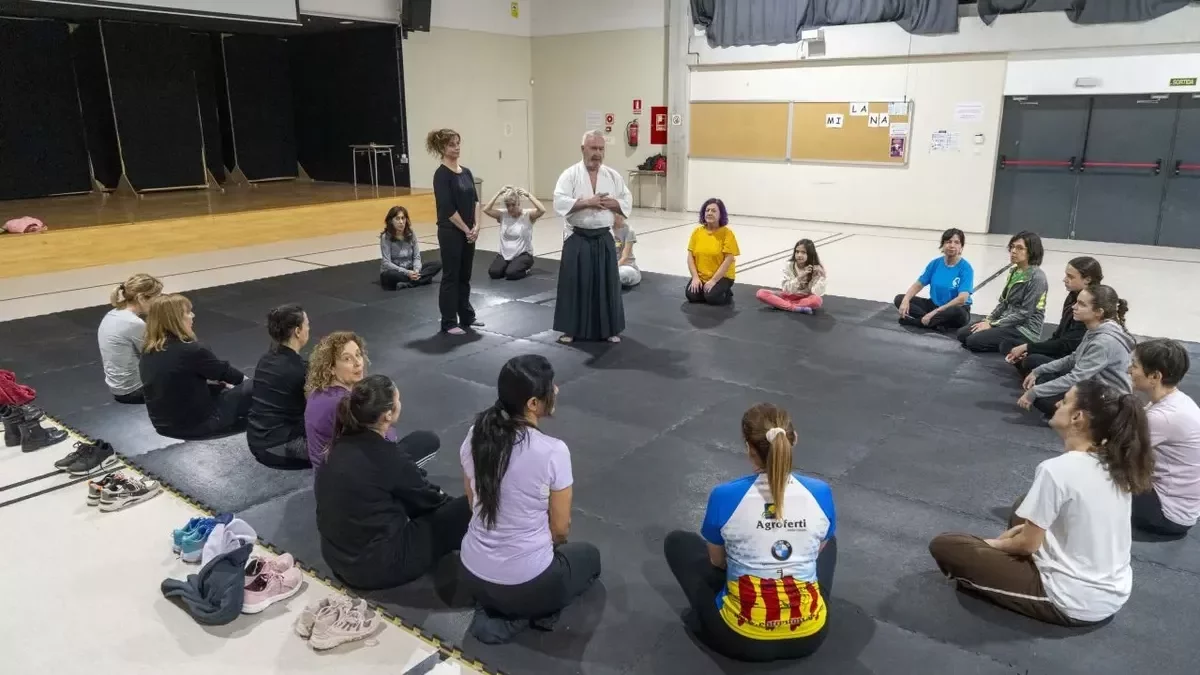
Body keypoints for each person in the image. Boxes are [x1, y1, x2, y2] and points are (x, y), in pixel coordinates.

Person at [928, 379, 1152, 626]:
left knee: (947, 545)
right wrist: (1020, 536)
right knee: (1023, 506)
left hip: (1073, 601)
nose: (1057, 403)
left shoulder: (1057, 470)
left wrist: (992, 544)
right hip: (1113, 590)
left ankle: (1018, 576)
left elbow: (1026, 545)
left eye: (1064, 401)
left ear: (1077, 417)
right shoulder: (1115, 464)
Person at [664, 403, 835, 662]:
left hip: (741, 640)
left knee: (677, 543)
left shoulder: (724, 495)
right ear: (794, 439)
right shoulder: (821, 492)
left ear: (748, 448)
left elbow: (717, 562)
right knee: (829, 543)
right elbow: (818, 550)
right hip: (811, 637)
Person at [459, 355, 601, 644]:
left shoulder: (475, 434)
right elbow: (561, 530)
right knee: (590, 558)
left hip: (471, 571)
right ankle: (522, 614)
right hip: (523, 583)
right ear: (533, 404)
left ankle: (498, 609)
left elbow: (471, 500)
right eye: (550, 387)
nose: (557, 390)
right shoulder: (552, 451)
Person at [315, 375, 470, 590]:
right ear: (388, 415)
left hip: (336, 557)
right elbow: (431, 502)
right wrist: (451, 511)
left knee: (422, 441)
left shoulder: (337, 446)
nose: (400, 403)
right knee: (468, 507)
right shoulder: (389, 459)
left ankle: (410, 487)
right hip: (376, 568)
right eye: (398, 400)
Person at [552, 131, 631, 344]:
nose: (597, 153)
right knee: (575, 284)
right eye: (593, 148)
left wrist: (611, 203)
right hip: (577, 237)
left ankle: (609, 329)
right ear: (583, 149)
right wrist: (588, 202)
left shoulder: (612, 176)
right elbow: (559, 202)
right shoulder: (569, 175)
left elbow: (626, 201)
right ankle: (570, 329)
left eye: (601, 149)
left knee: (607, 285)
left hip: (603, 236)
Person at [139, 294, 251, 439]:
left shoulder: (148, 349)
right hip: (198, 425)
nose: (192, 316)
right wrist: (247, 385)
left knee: (221, 387)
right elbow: (227, 373)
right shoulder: (192, 350)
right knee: (257, 384)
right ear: (176, 319)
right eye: (187, 312)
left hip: (163, 425)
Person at [1019, 285, 1133, 418]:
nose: (1074, 307)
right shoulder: (1094, 329)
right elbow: (1073, 358)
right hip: (1093, 388)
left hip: (1107, 401)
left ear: (1099, 312)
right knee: (1042, 377)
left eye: (1081, 304)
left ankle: (1088, 420)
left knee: (1041, 397)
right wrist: (1038, 370)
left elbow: (1076, 377)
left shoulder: (1104, 342)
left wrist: (1035, 392)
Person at [1128, 339, 1200, 537]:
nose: (1129, 370)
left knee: (1098, 476)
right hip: (1177, 504)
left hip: (1167, 514)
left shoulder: (1163, 416)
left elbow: (1113, 450)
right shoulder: (1175, 401)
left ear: (1155, 376)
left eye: (1134, 366)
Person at [1005, 257, 1103, 376]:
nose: (1064, 280)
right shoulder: (1072, 296)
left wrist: (1029, 347)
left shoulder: (1089, 307)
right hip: (1062, 352)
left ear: (1087, 279)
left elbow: (1068, 347)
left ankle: (1038, 373)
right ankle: (1035, 371)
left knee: (1032, 360)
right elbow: (1059, 336)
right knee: (1008, 345)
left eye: (1070, 277)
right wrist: (1030, 349)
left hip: (1073, 359)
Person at [429, 128, 483, 335]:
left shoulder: (467, 172)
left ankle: (467, 316)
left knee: (465, 276)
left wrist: (476, 226)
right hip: (451, 231)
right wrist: (466, 228)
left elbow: (476, 201)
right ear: (442, 148)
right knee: (451, 276)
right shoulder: (441, 175)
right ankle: (449, 321)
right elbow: (448, 209)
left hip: (469, 231)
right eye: (452, 144)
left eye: (458, 143)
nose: (456, 147)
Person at [957, 231, 1048, 353]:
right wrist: (989, 320)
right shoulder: (1015, 271)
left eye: (1020, 248)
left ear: (1032, 251)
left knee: (973, 341)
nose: (1013, 251)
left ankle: (1018, 344)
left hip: (1023, 329)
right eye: (1012, 247)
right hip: (1007, 322)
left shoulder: (1037, 278)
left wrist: (993, 325)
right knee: (962, 334)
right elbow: (1003, 303)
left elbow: (1024, 313)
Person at [247, 304, 312, 470]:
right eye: (307, 325)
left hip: (255, 440)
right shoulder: (300, 370)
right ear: (298, 331)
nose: (308, 329)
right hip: (280, 449)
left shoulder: (266, 359)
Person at [304, 332, 369, 471]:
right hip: (346, 483)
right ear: (331, 368)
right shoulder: (344, 403)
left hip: (325, 478)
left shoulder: (318, 392)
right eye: (347, 359)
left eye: (358, 355)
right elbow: (380, 443)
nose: (358, 363)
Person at [98, 273, 163, 404]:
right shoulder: (134, 323)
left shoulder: (113, 314)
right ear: (141, 298)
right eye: (156, 298)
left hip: (117, 386)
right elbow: (156, 357)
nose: (157, 303)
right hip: (133, 390)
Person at [894, 228, 973, 332]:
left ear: (961, 247)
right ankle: (935, 323)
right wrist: (905, 300)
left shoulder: (966, 268)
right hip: (934, 305)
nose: (952, 245)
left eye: (957, 242)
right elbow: (918, 284)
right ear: (943, 245)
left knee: (956, 311)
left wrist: (935, 312)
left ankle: (917, 322)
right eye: (948, 242)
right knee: (899, 299)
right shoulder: (935, 264)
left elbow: (962, 299)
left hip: (954, 309)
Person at [483, 185, 545, 281]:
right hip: (505, 254)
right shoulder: (502, 215)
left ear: (518, 203)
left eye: (513, 205)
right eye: (508, 205)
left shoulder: (527, 215)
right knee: (494, 273)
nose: (510, 208)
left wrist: (528, 195)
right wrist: (498, 193)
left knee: (511, 274)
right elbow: (486, 209)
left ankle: (526, 269)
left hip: (523, 254)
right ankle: (509, 265)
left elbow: (542, 210)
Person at [686, 198, 740, 306]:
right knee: (691, 296)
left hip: (723, 276)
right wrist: (695, 278)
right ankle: (710, 291)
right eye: (707, 210)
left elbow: (728, 260)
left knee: (712, 298)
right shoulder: (697, 232)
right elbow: (690, 257)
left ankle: (726, 291)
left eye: (714, 211)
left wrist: (713, 281)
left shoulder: (727, 233)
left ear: (721, 215)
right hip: (702, 275)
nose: (710, 213)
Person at [755, 239, 826, 314]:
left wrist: (822, 277)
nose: (799, 255)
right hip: (787, 296)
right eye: (797, 251)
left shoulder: (816, 268)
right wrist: (800, 277)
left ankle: (782, 305)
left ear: (810, 254)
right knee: (761, 293)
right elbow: (786, 289)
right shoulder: (789, 265)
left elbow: (816, 293)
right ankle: (795, 308)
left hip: (804, 299)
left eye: (803, 252)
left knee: (817, 300)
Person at [380, 205, 442, 291]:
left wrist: (416, 270)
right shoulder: (386, 237)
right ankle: (423, 279)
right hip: (396, 271)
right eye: (397, 219)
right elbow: (386, 263)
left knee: (438, 264)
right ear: (391, 221)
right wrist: (407, 273)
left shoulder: (411, 234)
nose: (401, 222)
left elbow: (416, 256)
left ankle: (409, 283)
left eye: (403, 218)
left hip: (411, 269)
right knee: (390, 275)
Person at [612, 214, 640, 288]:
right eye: (616, 214)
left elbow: (625, 257)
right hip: (612, 265)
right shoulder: (608, 230)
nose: (620, 216)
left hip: (626, 266)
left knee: (621, 274)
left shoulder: (629, 231)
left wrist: (612, 269)